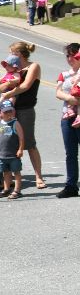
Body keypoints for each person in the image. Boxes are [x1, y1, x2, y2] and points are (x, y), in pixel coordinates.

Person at [0, 41, 46, 189]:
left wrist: (8, 93)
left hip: (25, 109)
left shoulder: (33, 66)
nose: (10, 56)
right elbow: (0, 86)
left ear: (21, 53)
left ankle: (39, 177)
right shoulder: (13, 69)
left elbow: (25, 86)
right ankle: (9, 177)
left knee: (30, 143)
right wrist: (4, 87)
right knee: (7, 143)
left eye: (13, 53)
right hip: (9, 110)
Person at [54, 43, 80, 198]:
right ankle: (71, 186)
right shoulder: (65, 74)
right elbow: (58, 93)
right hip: (67, 117)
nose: (70, 59)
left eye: (73, 55)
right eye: (68, 56)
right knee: (70, 153)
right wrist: (71, 98)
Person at [0, 100, 25, 199]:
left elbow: (21, 137)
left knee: (16, 172)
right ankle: (6, 189)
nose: (8, 114)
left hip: (13, 154)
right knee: (5, 172)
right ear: (0, 112)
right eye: (5, 112)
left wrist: (20, 149)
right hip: (2, 154)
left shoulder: (15, 123)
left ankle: (17, 190)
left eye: (10, 111)